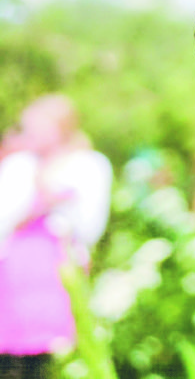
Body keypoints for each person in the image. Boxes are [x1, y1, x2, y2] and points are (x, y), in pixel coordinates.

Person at [0, 96, 112, 378]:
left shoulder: (88, 166)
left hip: (59, 275)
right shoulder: (18, 166)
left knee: (53, 359)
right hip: (13, 278)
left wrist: (55, 199)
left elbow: (90, 228)